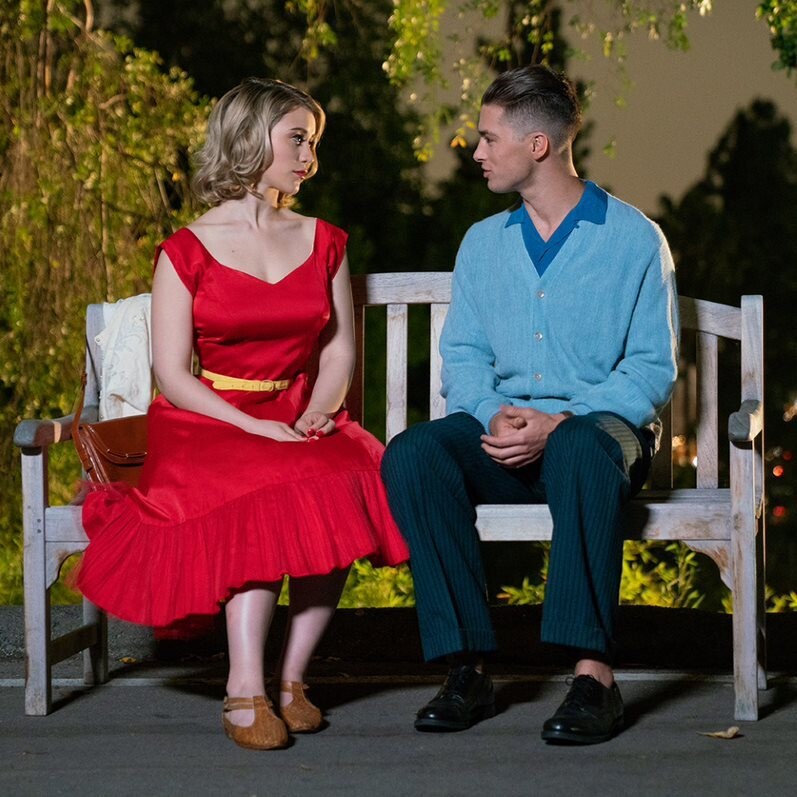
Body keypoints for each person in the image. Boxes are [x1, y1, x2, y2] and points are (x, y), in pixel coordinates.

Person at [77, 77, 409, 751]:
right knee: (261, 488)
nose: (309, 156)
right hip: (211, 418)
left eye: (313, 142)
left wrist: (319, 409)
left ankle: (291, 680)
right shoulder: (185, 250)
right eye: (297, 139)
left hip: (298, 406)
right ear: (251, 138)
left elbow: (339, 348)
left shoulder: (324, 240)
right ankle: (244, 687)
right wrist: (253, 426)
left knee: (346, 477)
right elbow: (173, 372)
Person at [381, 64, 679, 745]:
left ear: (537, 145)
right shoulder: (483, 243)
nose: (477, 152)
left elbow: (649, 369)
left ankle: (593, 677)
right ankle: (466, 669)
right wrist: (493, 414)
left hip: (600, 439)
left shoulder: (635, 239)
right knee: (415, 453)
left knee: (577, 443)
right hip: (505, 436)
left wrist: (560, 421)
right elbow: (463, 357)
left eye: (489, 138)